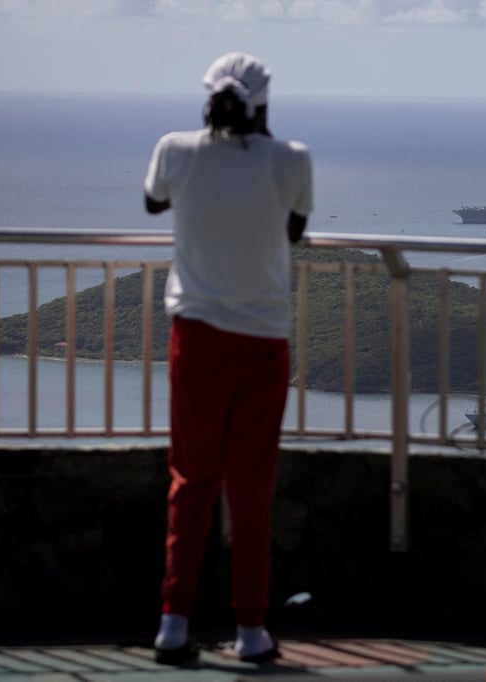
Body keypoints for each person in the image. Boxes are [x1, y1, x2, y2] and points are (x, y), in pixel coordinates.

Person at [143, 51, 313, 665]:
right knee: (251, 486)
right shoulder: (290, 159)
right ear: (265, 103)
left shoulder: (175, 149)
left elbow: (153, 203)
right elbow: (292, 232)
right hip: (263, 341)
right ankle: (250, 631)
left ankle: (173, 623)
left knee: (191, 481)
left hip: (196, 337)